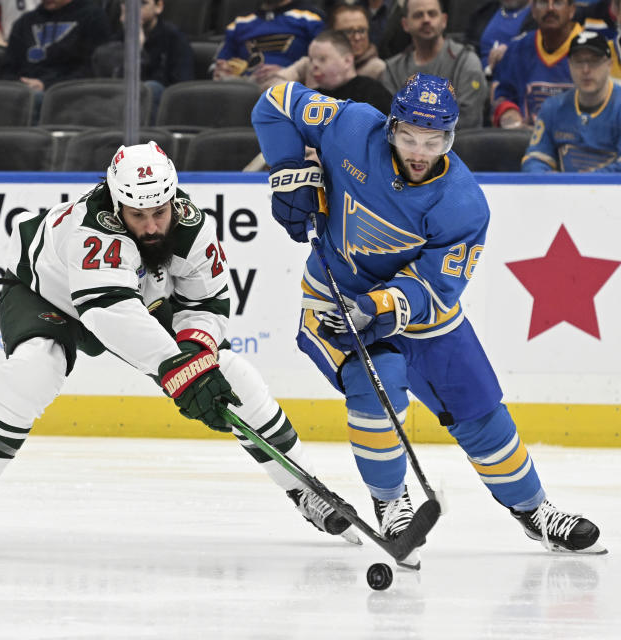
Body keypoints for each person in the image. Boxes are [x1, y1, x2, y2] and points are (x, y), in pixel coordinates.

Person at [0, 141, 361, 551]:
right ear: (117, 207)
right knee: (35, 367)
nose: (152, 226)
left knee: (233, 374)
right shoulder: (92, 228)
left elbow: (208, 302)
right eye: (138, 215)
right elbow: (111, 314)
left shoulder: (192, 227)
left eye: (159, 211)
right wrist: (180, 370)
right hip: (44, 291)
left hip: (133, 300)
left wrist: (195, 352)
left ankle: (307, 489)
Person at [251, 73, 605, 555]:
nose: (419, 151)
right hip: (334, 298)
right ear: (391, 127)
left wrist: (377, 306)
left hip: (421, 314)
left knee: (480, 411)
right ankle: (390, 503)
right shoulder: (352, 126)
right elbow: (275, 101)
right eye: (409, 138)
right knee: (379, 380)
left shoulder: (463, 204)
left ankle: (533, 511)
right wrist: (289, 170)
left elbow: (437, 286)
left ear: (450, 138)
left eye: (433, 140)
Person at [381, 0, 488, 129]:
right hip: (406, 146)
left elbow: (469, 118)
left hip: (458, 145)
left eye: (432, 14)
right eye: (418, 15)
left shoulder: (466, 61)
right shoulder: (392, 70)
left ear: (444, 20)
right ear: (405, 24)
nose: (426, 19)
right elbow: (391, 118)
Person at [522, 31, 621, 171]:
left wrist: (579, 185)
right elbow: (534, 159)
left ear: (609, 65)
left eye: (594, 61)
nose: (586, 70)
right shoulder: (552, 108)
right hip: (563, 191)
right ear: (569, 65)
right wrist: (549, 181)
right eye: (578, 61)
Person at [491, 0, 583, 128]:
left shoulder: (592, 51)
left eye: (557, 2)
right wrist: (509, 115)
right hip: (525, 143)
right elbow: (502, 96)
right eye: (543, 2)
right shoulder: (517, 49)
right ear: (533, 10)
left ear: (572, 10)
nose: (550, 8)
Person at [1, 0, 111, 92]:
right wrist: (20, 84)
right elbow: (8, 68)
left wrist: (47, 85)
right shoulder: (24, 22)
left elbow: (92, 68)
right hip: (23, 92)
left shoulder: (93, 17)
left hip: (69, 92)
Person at [213, 0, 325, 86]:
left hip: (291, 87)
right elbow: (221, 64)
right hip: (244, 88)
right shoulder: (240, 22)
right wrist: (224, 70)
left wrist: (287, 73)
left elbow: (323, 64)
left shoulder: (312, 17)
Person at [274, 3, 386, 87]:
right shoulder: (311, 63)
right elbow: (273, 87)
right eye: (348, 32)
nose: (357, 37)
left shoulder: (378, 69)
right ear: (331, 32)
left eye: (362, 30)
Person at [92, 0, 195, 88]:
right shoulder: (115, 42)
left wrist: (138, 52)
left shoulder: (175, 40)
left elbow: (177, 91)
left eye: (142, 3)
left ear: (158, 6)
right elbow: (110, 86)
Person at [304, 29, 393, 112]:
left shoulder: (373, 93)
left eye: (322, 59)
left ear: (347, 61)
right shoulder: (311, 97)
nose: (314, 66)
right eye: (311, 59)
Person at [465, 0, 534, 75]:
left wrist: (512, 49)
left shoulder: (540, 16)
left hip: (514, 78)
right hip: (475, 74)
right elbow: (469, 42)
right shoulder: (485, 10)